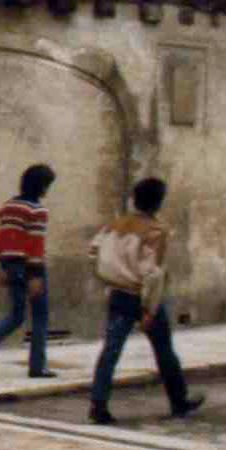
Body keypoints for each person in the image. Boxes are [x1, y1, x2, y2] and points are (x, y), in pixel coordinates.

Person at [86, 178, 205, 425]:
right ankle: (179, 400)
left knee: (111, 350)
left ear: (135, 199)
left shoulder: (114, 225)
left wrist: (109, 277)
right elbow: (153, 274)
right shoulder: (155, 231)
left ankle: (98, 405)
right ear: (159, 202)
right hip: (141, 296)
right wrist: (149, 309)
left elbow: (93, 251)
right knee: (164, 350)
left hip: (118, 293)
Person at [0, 164, 56, 377]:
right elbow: (35, 245)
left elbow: (4, 240)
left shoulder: (8, 207)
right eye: (47, 185)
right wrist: (36, 276)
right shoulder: (38, 211)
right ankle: (38, 366)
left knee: (16, 315)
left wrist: (5, 266)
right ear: (42, 186)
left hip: (11, 264)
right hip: (32, 267)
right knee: (40, 315)